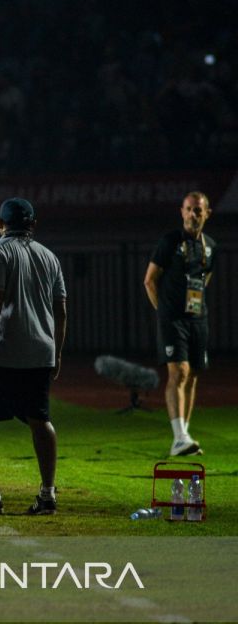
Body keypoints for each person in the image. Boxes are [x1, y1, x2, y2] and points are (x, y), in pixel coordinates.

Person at [0, 198, 67, 516]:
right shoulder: (49, 256)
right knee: (40, 419)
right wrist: (57, 351)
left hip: (4, 350)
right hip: (41, 351)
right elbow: (61, 310)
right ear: (33, 224)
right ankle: (47, 493)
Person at [144, 191, 216, 457]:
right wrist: (164, 311)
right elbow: (149, 280)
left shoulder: (210, 246)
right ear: (181, 211)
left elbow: (204, 279)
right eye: (188, 209)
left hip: (198, 319)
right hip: (173, 319)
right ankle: (178, 437)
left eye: (198, 210)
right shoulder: (170, 242)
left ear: (207, 213)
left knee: (194, 373)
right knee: (180, 372)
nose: (192, 215)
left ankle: (184, 436)